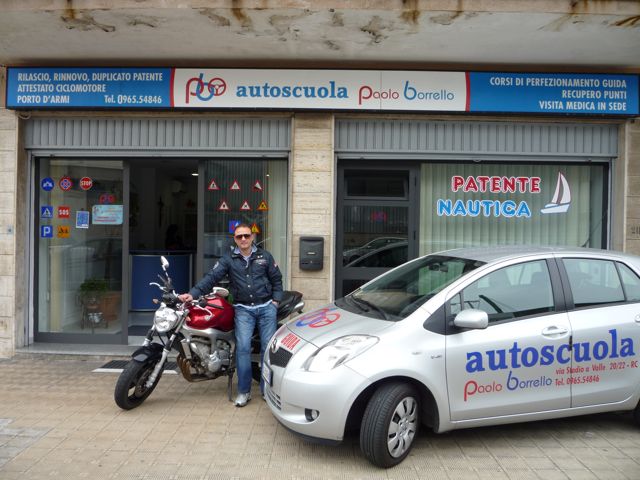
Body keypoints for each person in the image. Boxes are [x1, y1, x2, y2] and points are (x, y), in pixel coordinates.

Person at [178, 223, 283, 407]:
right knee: (242, 348)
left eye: (246, 235)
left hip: (266, 307)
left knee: (267, 349)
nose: (243, 239)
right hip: (243, 309)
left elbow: (276, 279)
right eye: (239, 236)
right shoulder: (228, 259)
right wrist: (192, 294)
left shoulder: (264, 256)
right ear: (234, 239)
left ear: (252, 237)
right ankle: (244, 392)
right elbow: (211, 278)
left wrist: (275, 301)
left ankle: (266, 390)